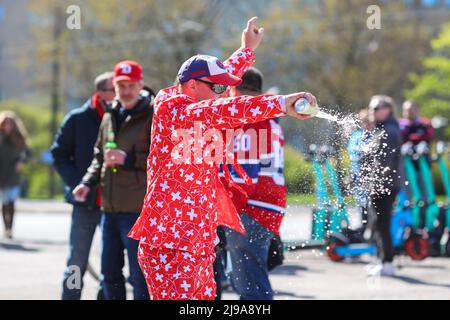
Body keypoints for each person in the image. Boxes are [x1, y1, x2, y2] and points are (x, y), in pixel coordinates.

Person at [128, 16, 317, 300]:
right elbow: (224, 111)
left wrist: (247, 49)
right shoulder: (174, 110)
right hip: (171, 247)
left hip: (200, 243)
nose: (222, 94)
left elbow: (222, 76)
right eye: (218, 89)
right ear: (191, 87)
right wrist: (279, 103)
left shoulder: (198, 95)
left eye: (224, 88)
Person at [72, 60, 153, 300]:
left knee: (139, 275)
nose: (126, 91)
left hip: (138, 212)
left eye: (131, 85)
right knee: (109, 274)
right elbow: (100, 155)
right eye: (121, 85)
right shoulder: (109, 115)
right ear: (114, 86)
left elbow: (160, 159)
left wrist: (127, 160)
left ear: (140, 85)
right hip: (109, 210)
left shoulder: (153, 114)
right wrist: (87, 183)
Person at [219, 67, 287, 300]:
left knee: (250, 285)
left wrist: (226, 211)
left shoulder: (248, 119)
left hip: (250, 207)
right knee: (249, 278)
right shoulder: (268, 118)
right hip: (267, 204)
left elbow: (243, 176)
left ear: (233, 90)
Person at [51, 72, 115, 300]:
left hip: (115, 204)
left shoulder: (122, 117)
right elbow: (58, 154)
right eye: (113, 89)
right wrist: (78, 183)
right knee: (77, 260)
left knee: (111, 261)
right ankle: (70, 296)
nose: (118, 94)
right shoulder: (77, 118)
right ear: (100, 94)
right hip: (85, 203)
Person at [363, 95, 402, 277]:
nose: (373, 111)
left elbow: (385, 162)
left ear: (387, 109)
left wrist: (376, 183)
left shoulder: (388, 130)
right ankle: (382, 260)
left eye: (376, 107)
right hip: (383, 184)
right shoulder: (382, 129)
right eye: (371, 108)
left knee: (382, 224)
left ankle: (387, 262)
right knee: (378, 223)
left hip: (384, 185)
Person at [0, 111, 31, 239]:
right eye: (5, 123)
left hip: (14, 175)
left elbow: (28, 154)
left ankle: (10, 229)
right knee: (4, 202)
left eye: (10, 123)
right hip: (1, 173)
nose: (7, 125)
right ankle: (5, 227)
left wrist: (21, 162)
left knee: (11, 201)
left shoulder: (19, 138)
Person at [347, 108, 374, 233]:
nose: (366, 125)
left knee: (373, 203)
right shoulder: (357, 136)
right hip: (359, 174)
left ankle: (372, 227)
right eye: (364, 122)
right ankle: (364, 227)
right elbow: (353, 152)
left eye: (369, 122)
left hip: (373, 175)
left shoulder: (376, 135)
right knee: (362, 202)